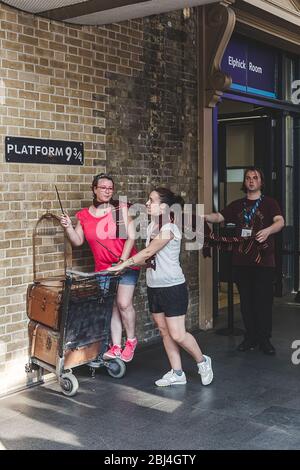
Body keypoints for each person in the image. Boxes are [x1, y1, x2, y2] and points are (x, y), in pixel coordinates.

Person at [108, 187, 213, 387]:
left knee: (178, 334)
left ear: (164, 206)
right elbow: (150, 260)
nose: (147, 204)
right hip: (154, 286)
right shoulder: (151, 228)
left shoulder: (170, 228)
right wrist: (124, 265)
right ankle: (177, 372)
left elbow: (148, 251)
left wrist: (124, 263)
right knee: (164, 331)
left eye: (151, 200)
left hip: (173, 287)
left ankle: (202, 361)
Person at [59, 173, 139, 362]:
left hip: (126, 264)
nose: (107, 191)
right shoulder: (85, 215)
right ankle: (117, 345)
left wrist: (122, 261)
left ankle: (131, 341)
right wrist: (68, 226)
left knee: (124, 303)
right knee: (112, 306)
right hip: (103, 268)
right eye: (103, 187)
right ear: (94, 189)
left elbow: (132, 237)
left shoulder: (120, 209)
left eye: (110, 188)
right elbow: (78, 241)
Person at [205, 167, 284, 355]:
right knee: (246, 303)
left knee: (263, 302)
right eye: (248, 178)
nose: (251, 181)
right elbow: (219, 217)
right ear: (244, 182)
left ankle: (265, 340)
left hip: (263, 262)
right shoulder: (237, 205)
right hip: (241, 261)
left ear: (261, 182)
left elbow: (280, 221)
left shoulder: (269, 203)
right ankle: (250, 338)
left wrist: (268, 230)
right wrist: (203, 217)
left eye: (255, 178)